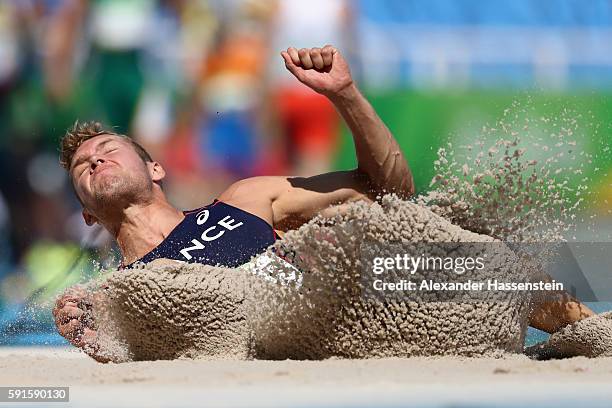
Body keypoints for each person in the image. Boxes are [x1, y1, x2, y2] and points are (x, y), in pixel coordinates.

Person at [53, 45, 593, 362]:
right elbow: (123, 346)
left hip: (371, 295)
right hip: (326, 336)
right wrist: (95, 331)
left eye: (108, 149)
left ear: (155, 167)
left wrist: (345, 96)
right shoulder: (123, 292)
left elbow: (392, 189)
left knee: (484, 258)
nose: (96, 161)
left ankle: (593, 332)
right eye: (83, 166)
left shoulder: (245, 200)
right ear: (86, 213)